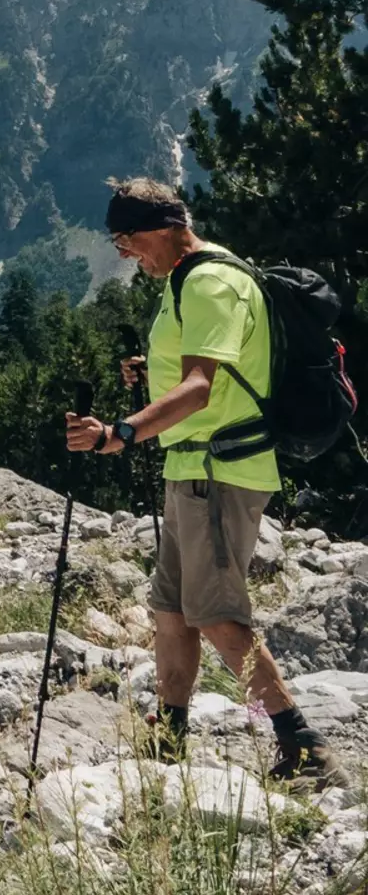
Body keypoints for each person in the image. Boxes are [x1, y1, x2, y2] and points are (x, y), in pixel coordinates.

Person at [66, 177, 341, 785]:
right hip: (192, 467)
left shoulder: (211, 280)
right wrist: (149, 371)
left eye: (128, 238)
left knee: (216, 614)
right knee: (171, 609)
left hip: (219, 469)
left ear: (165, 227)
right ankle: (168, 737)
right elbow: (192, 370)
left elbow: (201, 388)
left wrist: (122, 431)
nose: (125, 253)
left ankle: (304, 745)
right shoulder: (183, 281)